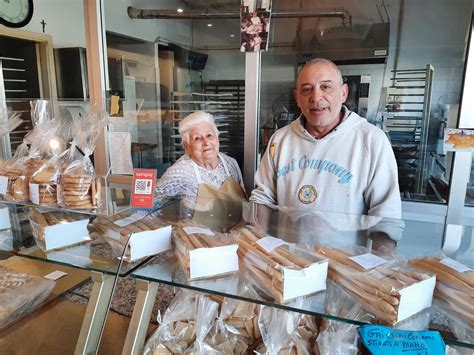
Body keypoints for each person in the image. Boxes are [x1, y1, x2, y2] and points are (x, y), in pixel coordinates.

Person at [250, 58, 401, 219]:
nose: (316, 98)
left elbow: (386, 215)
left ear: (343, 93)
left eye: (326, 87)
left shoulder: (372, 141)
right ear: (298, 98)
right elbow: (262, 199)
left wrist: (384, 244)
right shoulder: (280, 140)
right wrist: (254, 241)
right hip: (285, 245)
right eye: (307, 89)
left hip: (343, 246)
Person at [155, 111, 246, 229]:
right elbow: (151, 206)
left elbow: (246, 204)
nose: (206, 142)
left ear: (217, 138)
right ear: (187, 147)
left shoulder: (230, 164)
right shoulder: (180, 172)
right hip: (200, 242)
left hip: (238, 239)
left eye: (209, 135)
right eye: (197, 138)